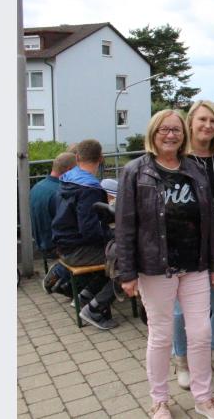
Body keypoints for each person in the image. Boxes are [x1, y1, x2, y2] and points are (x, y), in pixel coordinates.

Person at [116, 110, 214, 419]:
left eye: (176, 130)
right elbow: (125, 224)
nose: (170, 135)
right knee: (161, 335)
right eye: (164, 130)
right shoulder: (135, 171)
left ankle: (203, 398)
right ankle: (159, 400)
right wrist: (127, 272)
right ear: (153, 133)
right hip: (155, 267)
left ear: (184, 135)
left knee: (201, 333)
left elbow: (210, 222)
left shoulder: (195, 168)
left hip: (195, 265)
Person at [172, 101, 214, 389]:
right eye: (202, 120)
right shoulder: (177, 161)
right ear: (190, 122)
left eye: (213, 121)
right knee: (181, 310)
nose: (208, 126)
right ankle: (182, 362)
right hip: (186, 247)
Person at [51, 139, 118, 330]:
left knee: (115, 251)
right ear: (101, 158)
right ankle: (95, 309)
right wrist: (112, 235)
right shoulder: (90, 188)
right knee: (128, 258)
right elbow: (90, 231)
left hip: (63, 246)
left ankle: (84, 297)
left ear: (77, 157)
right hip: (77, 250)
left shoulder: (67, 179)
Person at [35, 152, 76, 293]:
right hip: (56, 246)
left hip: (41, 242)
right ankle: (71, 284)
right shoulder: (61, 192)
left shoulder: (38, 186)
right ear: (70, 170)